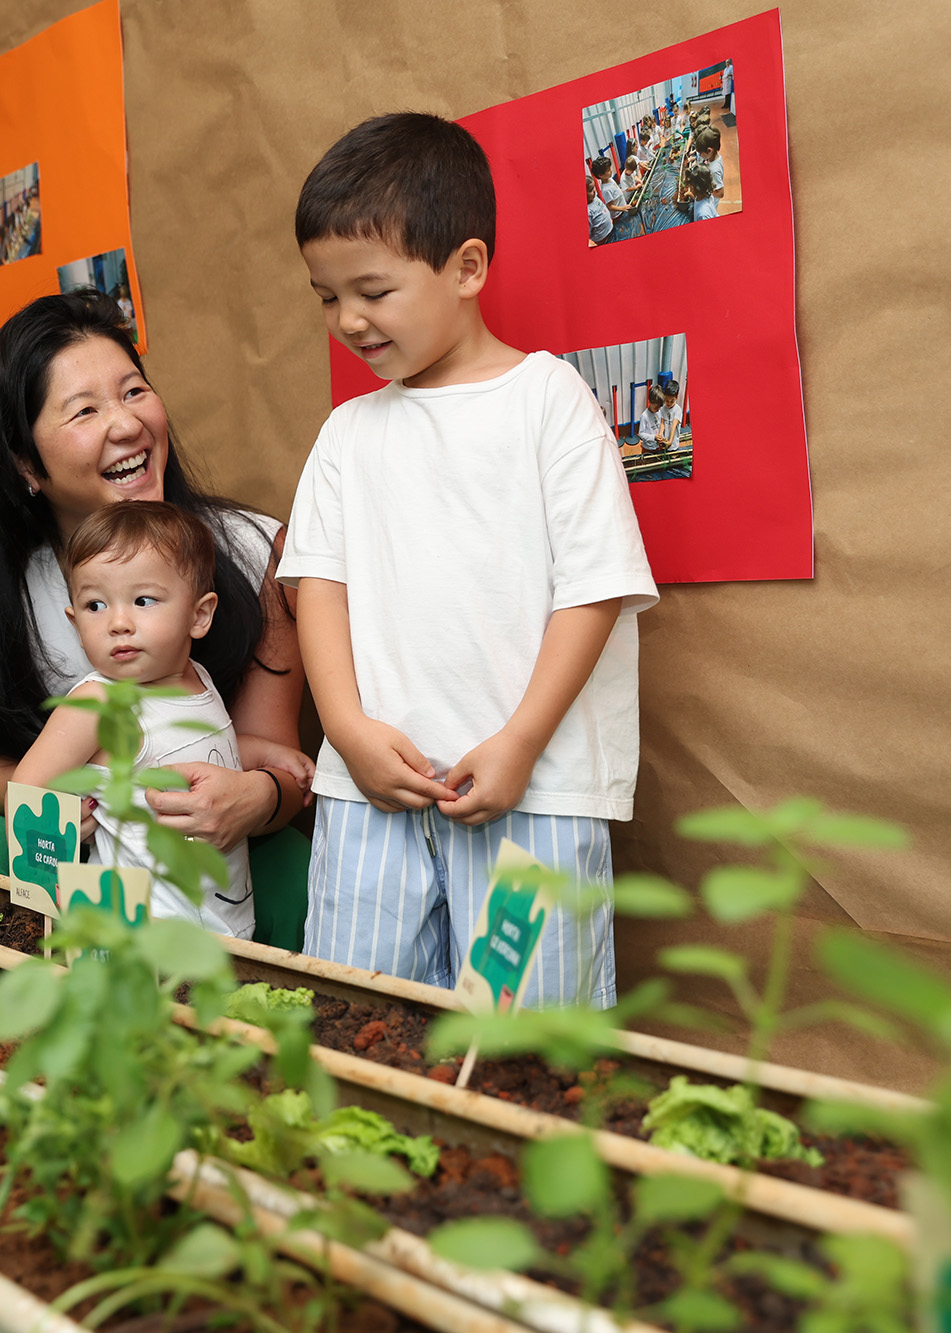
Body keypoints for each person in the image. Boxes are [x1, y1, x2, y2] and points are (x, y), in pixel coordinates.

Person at [285, 112, 659, 1007]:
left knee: (526, 1039)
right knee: (355, 1017)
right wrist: (345, 728)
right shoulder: (348, 433)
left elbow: (594, 588)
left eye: (372, 290)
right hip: (373, 790)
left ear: (466, 268)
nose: (349, 319)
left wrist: (520, 741)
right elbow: (317, 588)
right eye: (327, 296)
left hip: (535, 791)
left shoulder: (548, 402)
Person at [0, 293, 315, 947]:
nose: (126, 424)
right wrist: (78, 786)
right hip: (65, 847)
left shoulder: (250, 551)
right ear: (25, 462)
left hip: (203, 848)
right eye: (85, 410)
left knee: (293, 868)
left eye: (134, 391)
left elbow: (272, 753)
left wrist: (258, 796)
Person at [16, 502, 311, 935]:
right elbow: (27, 789)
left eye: (143, 600)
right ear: (75, 622)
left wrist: (263, 752)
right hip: (140, 937)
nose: (118, 622)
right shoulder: (99, 705)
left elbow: (192, 753)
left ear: (199, 615)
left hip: (220, 923)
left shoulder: (197, 679)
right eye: (95, 605)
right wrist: (66, 821)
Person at [585, 173, 613, 245]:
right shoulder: (587, 212)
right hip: (601, 239)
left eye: (594, 187)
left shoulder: (594, 197)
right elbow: (587, 232)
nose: (594, 190)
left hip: (610, 229)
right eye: (590, 190)